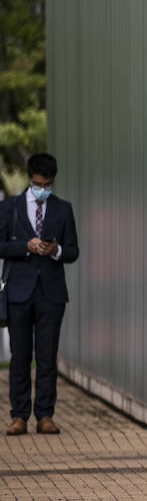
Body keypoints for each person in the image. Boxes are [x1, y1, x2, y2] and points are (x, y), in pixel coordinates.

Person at [3, 153, 80, 436]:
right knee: (20, 355)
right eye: (38, 183)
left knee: (47, 357)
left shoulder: (63, 208)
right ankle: (19, 415)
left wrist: (55, 251)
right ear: (29, 178)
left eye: (48, 184)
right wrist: (26, 246)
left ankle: (45, 415)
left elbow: (73, 250)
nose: (43, 189)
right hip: (19, 292)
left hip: (51, 293)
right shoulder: (10, 207)